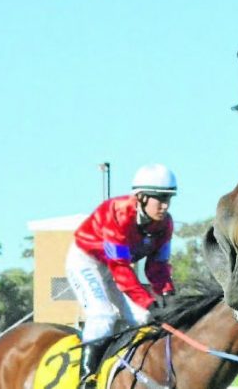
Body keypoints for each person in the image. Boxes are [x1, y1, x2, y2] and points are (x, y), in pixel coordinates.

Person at [65, 163, 177, 387]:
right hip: (86, 262)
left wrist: (168, 296)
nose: (165, 205)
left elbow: (157, 266)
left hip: (114, 268)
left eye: (168, 198)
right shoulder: (117, 213)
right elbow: (120, 268)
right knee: (103, 316)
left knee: (144, 319)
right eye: (159, 198)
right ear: (141, 197)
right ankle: (86, 379)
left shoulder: (165, 225)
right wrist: (148, 301)